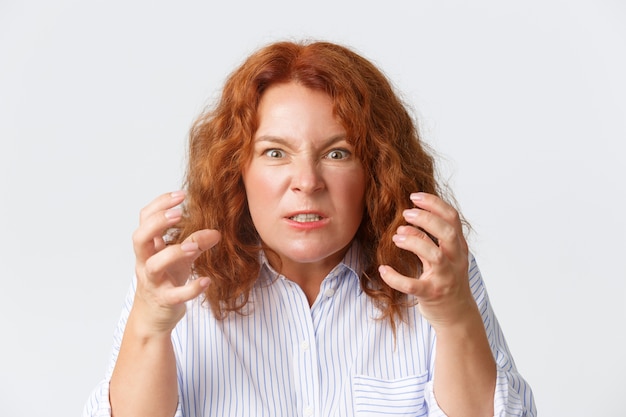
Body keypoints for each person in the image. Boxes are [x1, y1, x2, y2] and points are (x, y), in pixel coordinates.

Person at [83, 40, 536, 417]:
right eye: (275, 152)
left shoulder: (436, 275)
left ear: (375, 171)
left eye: (337, 153)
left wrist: (455, 318)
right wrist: (150, 323)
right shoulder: (178, 283)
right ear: (235, 170)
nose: (307, 181)